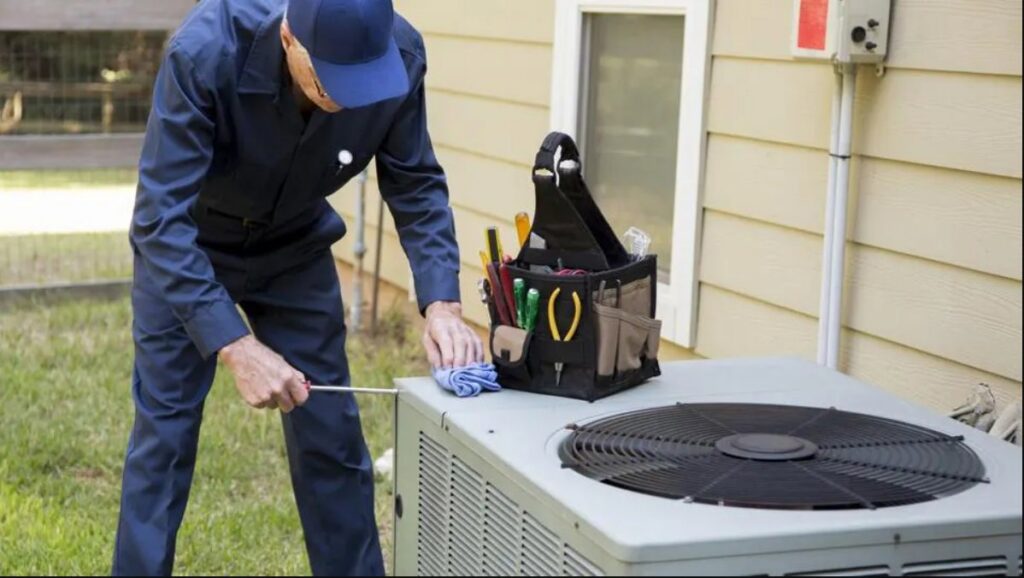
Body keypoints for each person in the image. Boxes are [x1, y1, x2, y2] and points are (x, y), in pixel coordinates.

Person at [113, 0, 483, 574]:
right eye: (331, 78)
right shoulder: (204, 52)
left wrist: (442, 302)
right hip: (190, 247)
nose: (345, 97)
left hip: (294, 244)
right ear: (290, 39)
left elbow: (415, 181)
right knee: (165, 438)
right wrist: (235, 346)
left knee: (329, 435)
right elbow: (159, 221)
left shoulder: (401, 56)